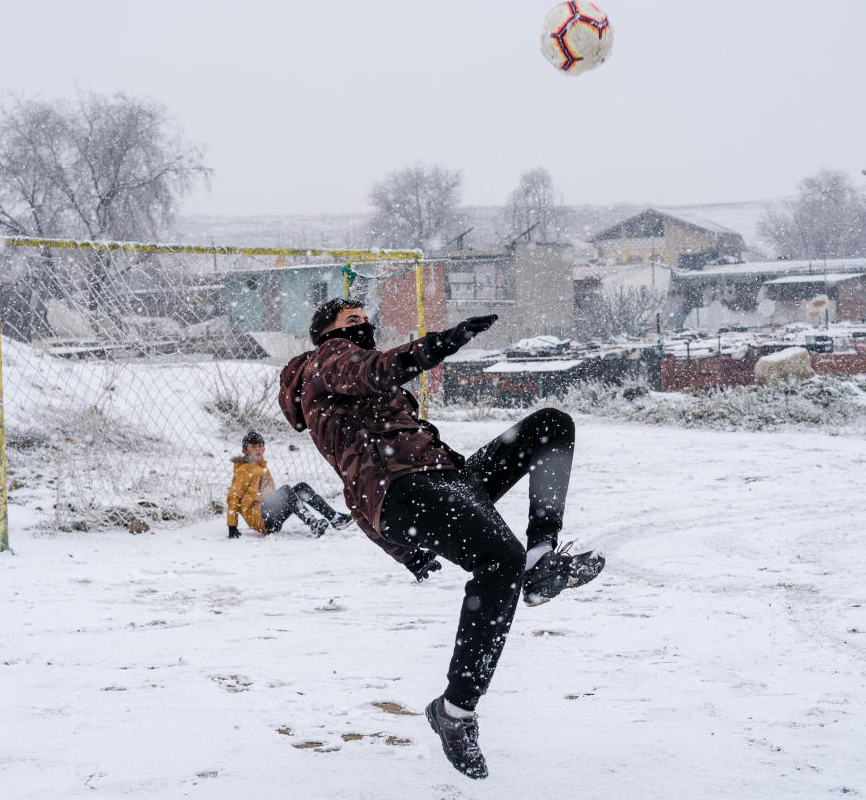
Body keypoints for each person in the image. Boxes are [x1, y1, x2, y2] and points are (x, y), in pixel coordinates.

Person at [278, 298, 604, 780]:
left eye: (367, 320)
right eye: (352, 322)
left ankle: (539, 554)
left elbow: (381, 383)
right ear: (325, 333)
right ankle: (454, 712)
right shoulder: (326, 362)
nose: (364, 326)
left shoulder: (354, 370)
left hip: (446, 480)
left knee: (550, 426)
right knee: (498, 563)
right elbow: (375, 369)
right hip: (401, 489)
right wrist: (440, 344)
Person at [225, 430, 352, 539]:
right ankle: (312, 523)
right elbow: (233, 497)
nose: (257, 450)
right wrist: (232, 527)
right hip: (260, 519)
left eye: (260, 446)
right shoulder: (244, 469)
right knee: (285, 490)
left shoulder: (261, 467)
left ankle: (335, 518)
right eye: (252, 447)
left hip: (269, 513)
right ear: (245, 451)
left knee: (301, 487)